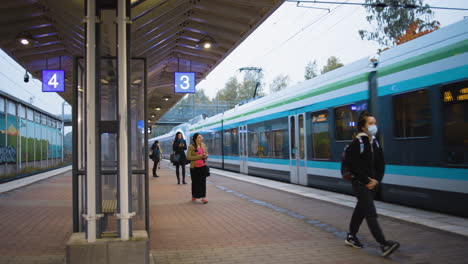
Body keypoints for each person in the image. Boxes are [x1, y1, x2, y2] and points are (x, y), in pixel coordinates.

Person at [345, 111, 400, 257]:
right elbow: (354, 167)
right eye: (370, 123)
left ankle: (351, 236)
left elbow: (381, 163)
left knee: (361, 210)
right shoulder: (357, 143)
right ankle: (384, 244)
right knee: (370, 212)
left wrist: (377, 181)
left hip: (373, 183)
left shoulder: (375, 141)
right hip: (360, 183)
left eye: (374, 123)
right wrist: (367, 181)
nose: (374, 126)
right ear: (363, 127)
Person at [187, 133, 209, 204]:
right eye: (199, 137)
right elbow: (188, 157)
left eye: (201, 137)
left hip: (203, 166)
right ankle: (194, 195)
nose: (201, 138)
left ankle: (203, 197)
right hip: (194, 167)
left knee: (203, 182)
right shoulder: (191, 147)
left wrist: (205, 156)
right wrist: (199, 157)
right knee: (195, 182)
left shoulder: (204, 145)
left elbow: (206, 154)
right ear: (196, 138)